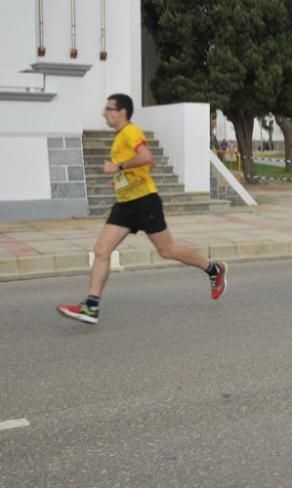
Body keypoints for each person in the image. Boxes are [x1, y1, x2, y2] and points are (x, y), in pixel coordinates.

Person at [57, 94, 227, 325]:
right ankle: (91, 306)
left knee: (167, 250)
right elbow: (136, 167)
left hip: (144, 201)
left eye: (109, 109)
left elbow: (147, 157)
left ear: (122, 112)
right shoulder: (120, 137)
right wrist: (119, 177)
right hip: (125, 203)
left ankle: (213, 269)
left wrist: (117, 166)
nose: (104, 113)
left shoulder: (131, 132)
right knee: (101, 250)